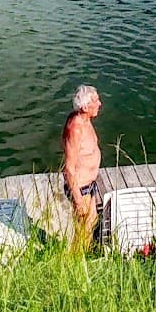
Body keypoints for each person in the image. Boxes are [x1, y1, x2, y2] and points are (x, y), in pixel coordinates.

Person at [61, 84, 102, 242]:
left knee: (90, 223)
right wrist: (77, 200)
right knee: (83, 229)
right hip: (80, 188)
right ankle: (75, 260)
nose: (99, 104)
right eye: (96, 101)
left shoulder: (85, 119)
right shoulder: (75, 128)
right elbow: (69, 168)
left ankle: (82, 258)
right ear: (85, 107)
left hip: (90, 184)